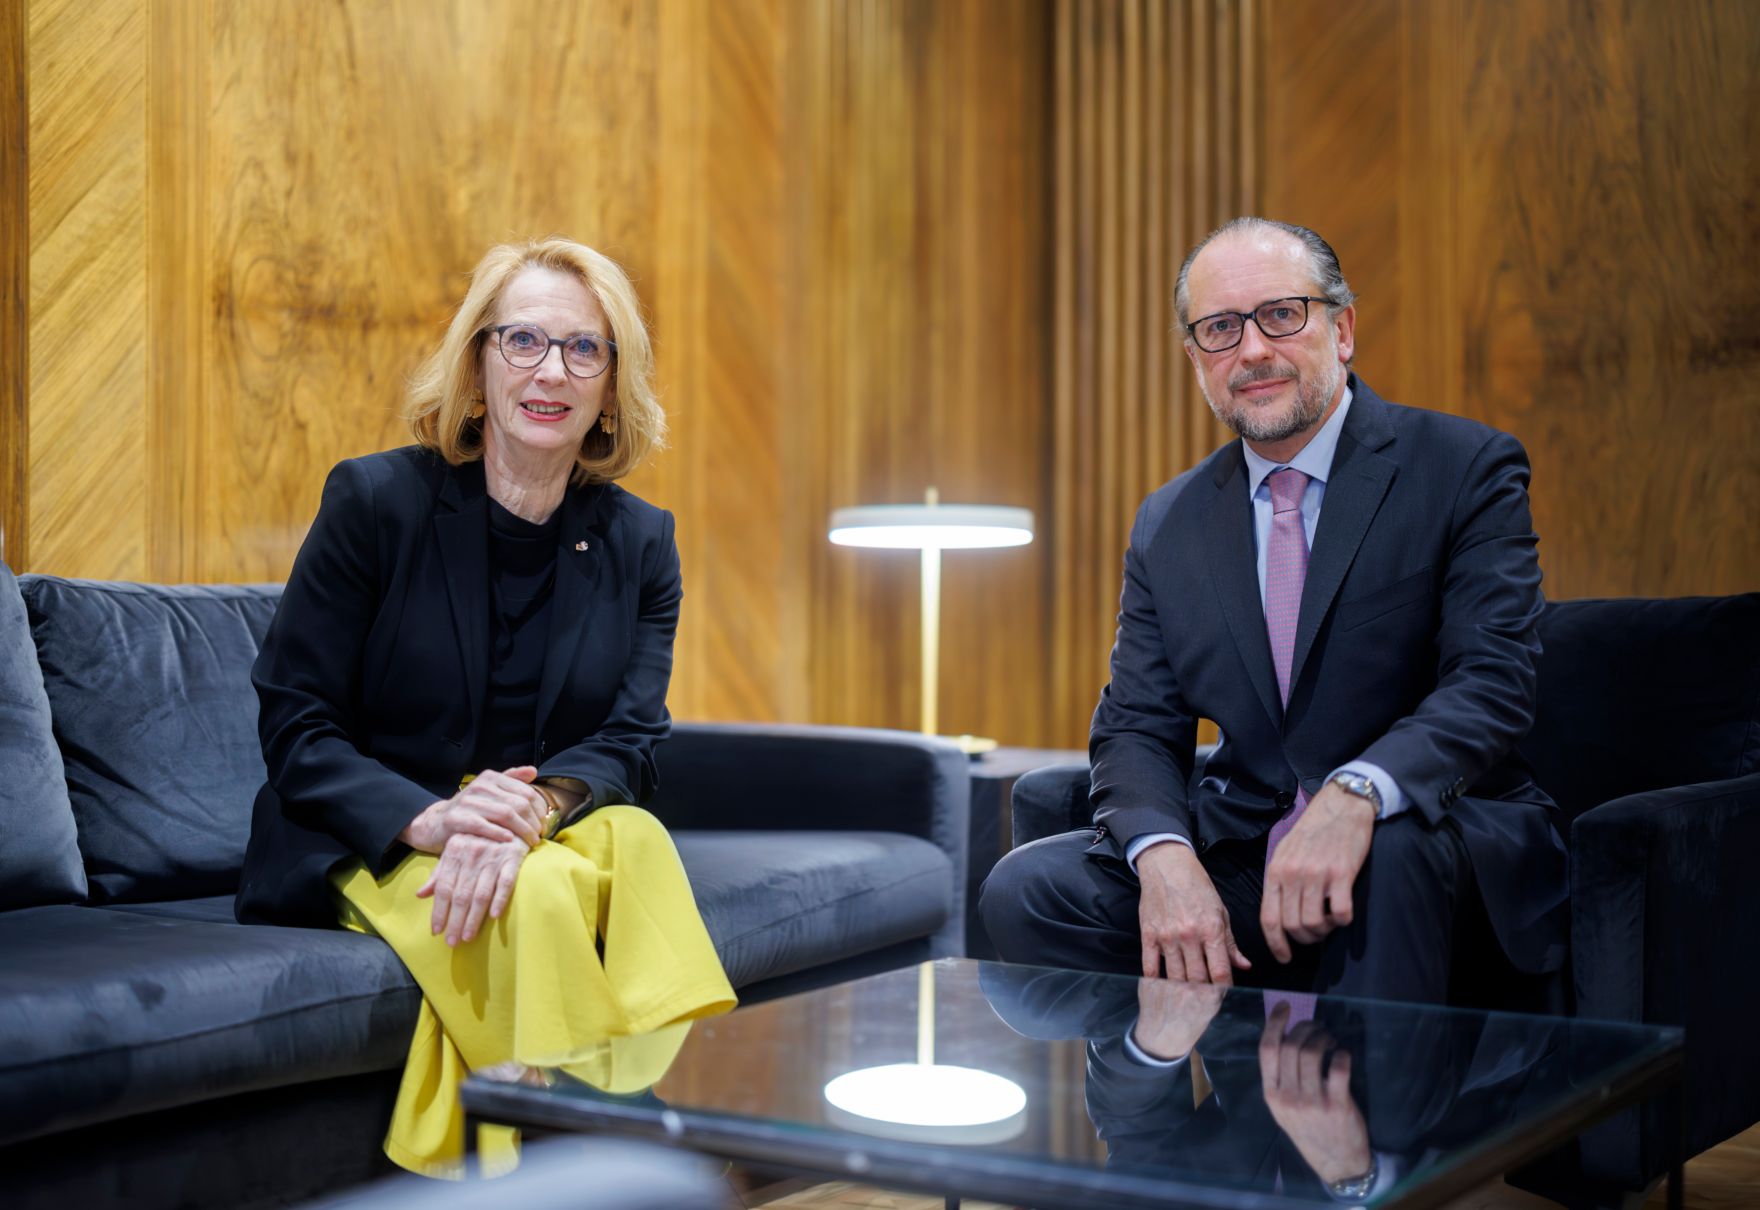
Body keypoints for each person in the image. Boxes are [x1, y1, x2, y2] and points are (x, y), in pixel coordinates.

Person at [235, 237, 736, 1176]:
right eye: (524, 342)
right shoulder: (375, 500)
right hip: (370, 825)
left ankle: (652, 1127)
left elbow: (630, 739)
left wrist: (533, 810)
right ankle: (594, 1164)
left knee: (640, 840)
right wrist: (431, 816)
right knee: (540, 893)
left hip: (532, 819)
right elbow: (293, 720)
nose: (553, 370)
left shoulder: (640, 542)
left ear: (611, 383)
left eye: (584, 349)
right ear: (477, 363)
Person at [981, 217, 1567, 1004]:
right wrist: (1165, 860)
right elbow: (1135, 726)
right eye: (1220, 329)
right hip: (1248, 854)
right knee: (1029, 890)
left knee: (1390, 855)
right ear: (1196, 360)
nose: (1252, 350)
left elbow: (1491, 684)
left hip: (1425, 833)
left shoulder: (1463, 468)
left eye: (1281, 315)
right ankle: (1171, 1126)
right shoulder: (1171, 522)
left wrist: (1356, 794)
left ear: (1342, 328)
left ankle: (1368, 1127)